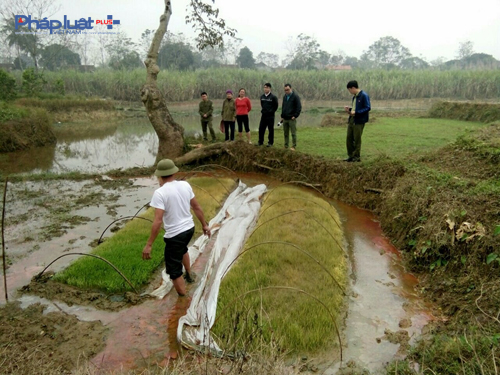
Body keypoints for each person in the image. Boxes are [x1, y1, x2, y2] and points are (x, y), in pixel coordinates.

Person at [142, 159, 211, 297]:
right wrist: (204, 225)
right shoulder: (185, 185)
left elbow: (157, 220)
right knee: (183, 249)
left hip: (175, 235)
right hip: (189, 229)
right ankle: (189, 275)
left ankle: (183, 299)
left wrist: (149, 244)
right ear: (173, 173)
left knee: (173, 271)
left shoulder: (160, 193)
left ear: (160, 176)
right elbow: (196, 207)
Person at [343, 80, 371, 162]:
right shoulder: (355, 97)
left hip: (359, 120)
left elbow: (367, 107)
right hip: (352, 119)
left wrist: (356, 112)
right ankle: (351, 156)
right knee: (349, 138)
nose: (350, 92)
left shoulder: (364, 95)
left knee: (357, 139)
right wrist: (350, 110)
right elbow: (355, 108)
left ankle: (356, 157)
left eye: (349, 90)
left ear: (353, 88)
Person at [280, 83, 302, 151]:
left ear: (291, 89)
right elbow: (283, 106)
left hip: (291, 118)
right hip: (285, 118)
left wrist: (295, 116)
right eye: (285, 90)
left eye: (288, 90)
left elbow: (299, 107)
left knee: (293, 133)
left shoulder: (295, 96)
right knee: (285, 133)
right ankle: (286, 145)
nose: (286, 91)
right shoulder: (284, 97)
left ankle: (293, 146)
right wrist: (282, 116)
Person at [257, 83, 279, 147]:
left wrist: (271, 112)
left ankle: (270, 143)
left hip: (270, 116)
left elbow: (276, 106)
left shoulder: (273, 97)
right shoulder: (262, 97)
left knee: (270, 129)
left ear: (269, 88)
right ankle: (260, 141)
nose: (265, 89)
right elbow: (262, 105)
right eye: (264, 87)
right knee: (261, 128)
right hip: (263, 115)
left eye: (266, 87)